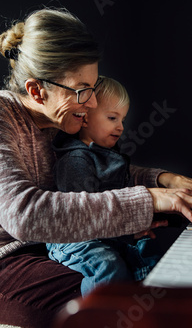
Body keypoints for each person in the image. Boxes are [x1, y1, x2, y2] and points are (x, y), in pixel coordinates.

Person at [0, 7, 192, 328]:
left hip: (53, 247)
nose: (92, 104)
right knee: (122, 299)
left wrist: (164, 180)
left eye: (92, 89)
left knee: (150, 276)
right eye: (82, 90)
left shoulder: (60, 121)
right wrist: (149, 200)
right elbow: (25, 214)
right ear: (37, 90)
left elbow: (98, 170)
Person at [47, 76, 166, 296]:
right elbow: (82, 218)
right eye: (112, 118)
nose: (120, 127)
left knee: (149, 251)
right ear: (84, 118)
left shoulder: (109, 155)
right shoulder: (75, 160)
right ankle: (96, 317)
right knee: (108, 266)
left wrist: (135, 229)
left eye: (122, 119)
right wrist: (127, 233)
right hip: (74, 237)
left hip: (107, 231)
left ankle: (146, 312)